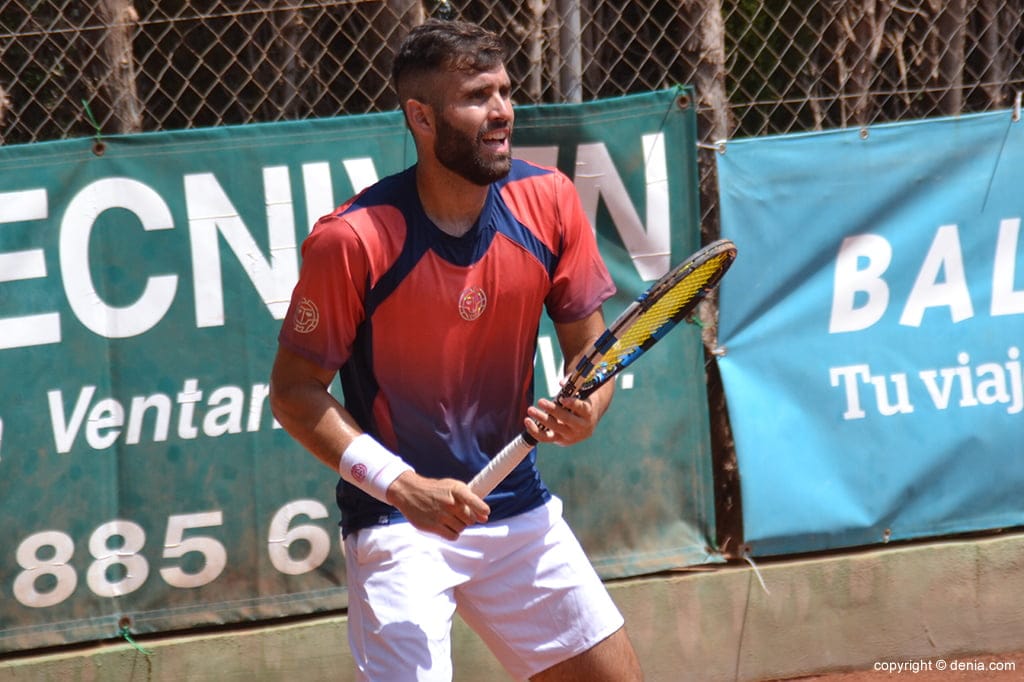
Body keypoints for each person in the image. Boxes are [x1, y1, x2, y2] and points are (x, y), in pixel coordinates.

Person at [269, 18, 643, 682]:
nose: (501, 112)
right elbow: (294, 395)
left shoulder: (548, 201)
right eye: (475, 97)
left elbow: (594, 356)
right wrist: (404, 487)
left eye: (504, 91)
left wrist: (589, 408)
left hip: (517, 507)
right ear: (420, 116)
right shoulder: (353, 240)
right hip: (397, 523)